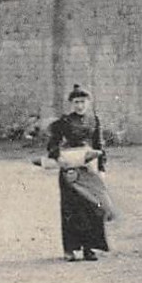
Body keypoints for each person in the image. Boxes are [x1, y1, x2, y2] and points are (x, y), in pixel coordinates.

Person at [47, 85, 113, 262]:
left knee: (92, 207)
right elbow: (52, 144)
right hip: (70, 167)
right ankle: (69, 249)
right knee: (71, 209)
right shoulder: (64, 122)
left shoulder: (94, 120)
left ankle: (89, 248)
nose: (79, 106)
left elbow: (99, 146)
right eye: (76, 102)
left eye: (83, 102)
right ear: (71, 104)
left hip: (89, 168)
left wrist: (101, 169)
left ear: (88, 103)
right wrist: (58, 157)